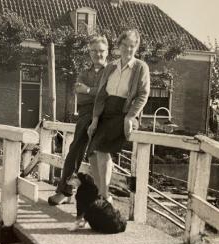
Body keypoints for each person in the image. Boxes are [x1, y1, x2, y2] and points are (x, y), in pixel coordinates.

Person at [87, 29, 150, 203]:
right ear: (119, 46)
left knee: (102, 150)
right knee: (92, 152)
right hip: (105, 113)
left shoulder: (140, 67)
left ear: (136, 48)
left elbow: (143, 94)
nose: (128, 50)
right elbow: (101, 95)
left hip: (123, 114)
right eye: (125, 45)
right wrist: (95, 119)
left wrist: (130, 117)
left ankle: (104, 194)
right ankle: (102, 193)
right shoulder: (110, 67)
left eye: (132, 46)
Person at [48, 36, 109, 206]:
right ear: (89, 53)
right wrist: (95, 94)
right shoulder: (84, 72)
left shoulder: (111, 72)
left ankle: (100, 198)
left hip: (103, 118)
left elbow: (109, 94)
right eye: (94, 51)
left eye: (101, 51)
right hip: (84, 117)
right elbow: (80, 97)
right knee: (73, 152)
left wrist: (89, 90)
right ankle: (65, 192)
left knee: (96, 155)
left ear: (107, 52)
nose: (98, 54)